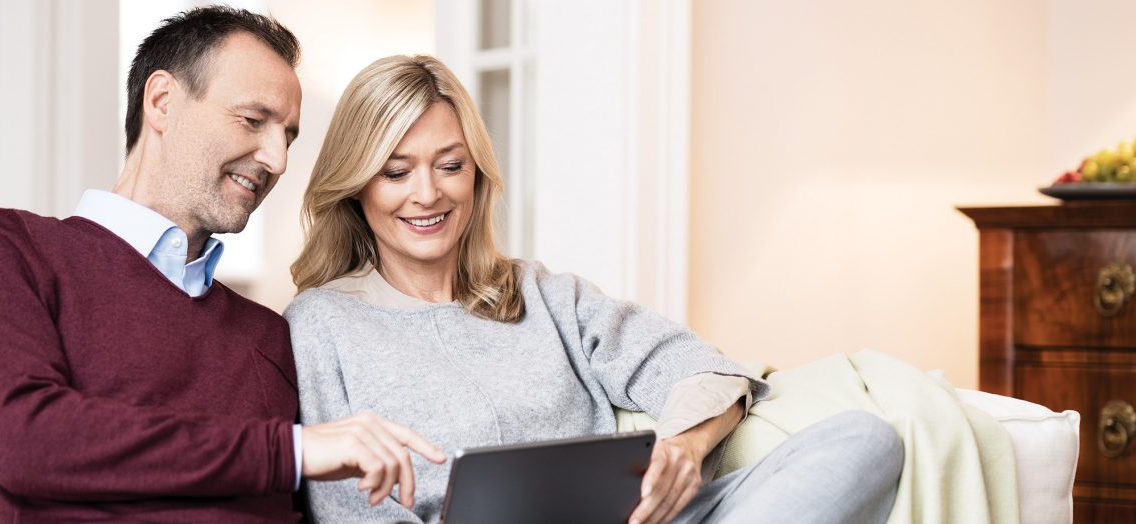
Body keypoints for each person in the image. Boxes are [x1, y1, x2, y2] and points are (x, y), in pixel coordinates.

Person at [285, 54, 905, 524]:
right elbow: (349, 511)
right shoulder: (321, 324)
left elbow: (704, 371)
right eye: (396, 172)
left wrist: (683, 451)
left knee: (864, 440)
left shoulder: (542, 293)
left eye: (450, 165)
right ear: (357, 184)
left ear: (477, 174)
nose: (428, 194)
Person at [0, 8, 442, 523]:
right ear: (161, 101)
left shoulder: (267, 335)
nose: (277, 160)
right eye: (253, 121)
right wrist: (287, 452)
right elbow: (25, 440)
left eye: (287, 136)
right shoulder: (11, 250)